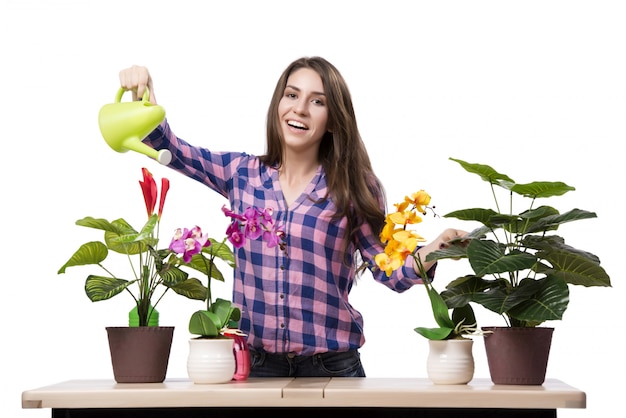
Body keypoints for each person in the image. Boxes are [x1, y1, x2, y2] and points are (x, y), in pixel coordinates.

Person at [118, 57, 466, 378]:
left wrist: (434, 249)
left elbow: (388, 269)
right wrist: (143, 99)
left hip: (332, 367)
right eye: (292, 95)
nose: (300, 108)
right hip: (254, 366)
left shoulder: (354, 187)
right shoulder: (241, 173)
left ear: (333, 120)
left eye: (317, 101)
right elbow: (172, 151)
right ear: (278, 104)